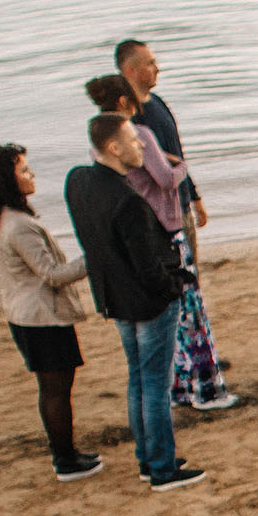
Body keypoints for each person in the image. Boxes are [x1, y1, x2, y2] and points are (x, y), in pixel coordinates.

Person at [63, 113, 204, 490]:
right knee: (155, 384)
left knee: (139, 379)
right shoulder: (128, 202)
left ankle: (148, 458)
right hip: (147, 301)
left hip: (114, 296)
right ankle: (161, 469)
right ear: (113, 147)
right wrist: (177, 285)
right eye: (132, 139)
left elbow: (92, 241)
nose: (142, 144)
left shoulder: (77, 181)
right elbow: (148, 269)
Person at [86, 75, 233, 410]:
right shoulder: (141, 136)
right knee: (189, 311)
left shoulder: (99, 141)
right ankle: (205, 390)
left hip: (142, 233)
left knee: (170, 319)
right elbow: (166, 179)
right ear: (124, 102)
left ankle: (181, 387)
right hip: (166, 227)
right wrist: (182, 165)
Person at [0, 143, 99, 480]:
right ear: (7, 179)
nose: (32, 176)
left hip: (22, 313)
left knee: (53, 388)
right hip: (42, 316)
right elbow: (53, 275)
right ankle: (65, 459)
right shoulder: (19, 225)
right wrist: (97, 256)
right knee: (57, 390)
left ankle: (67, 453)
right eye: (25, 171)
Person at [114, 38, 206, 247]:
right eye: (150, 63)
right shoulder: (130, 121)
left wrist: (194, 197)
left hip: (181, 206)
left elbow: (177, 153)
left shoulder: (157, 101)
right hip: (158, 216)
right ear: (130, 70)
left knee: (191, 271)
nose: (158, 69)